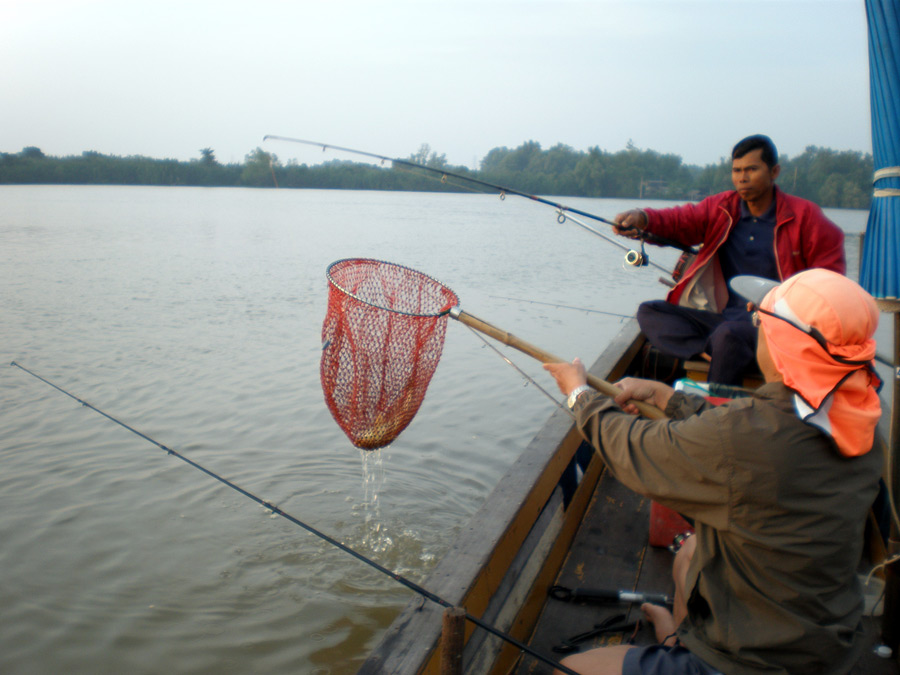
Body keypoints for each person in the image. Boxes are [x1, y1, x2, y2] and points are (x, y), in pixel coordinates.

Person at [543, 268, 882, 675]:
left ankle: (696, 661)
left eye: (761, 322)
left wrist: (580, 396)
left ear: (780, 346)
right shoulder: (859, 417)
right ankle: (679, 644)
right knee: (689, 554)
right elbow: (748, 438)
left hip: (761, 664)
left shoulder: (742, 437)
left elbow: (637, 451)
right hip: (825, 642)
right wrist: (670, 398)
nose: (755, 326)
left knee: (572, 667)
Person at [614, 134, 846, 385]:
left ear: (774, 171)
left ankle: (714, 404)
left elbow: (830, 286)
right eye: (736, 171)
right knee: (650, 311)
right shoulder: (722, 208)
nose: (742, 178)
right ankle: (710, 352)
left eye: (751, 169)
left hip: (777, 329)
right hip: (726, 318)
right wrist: (642, 218)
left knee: (728, 335)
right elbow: (680, 221)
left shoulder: (806, 217)